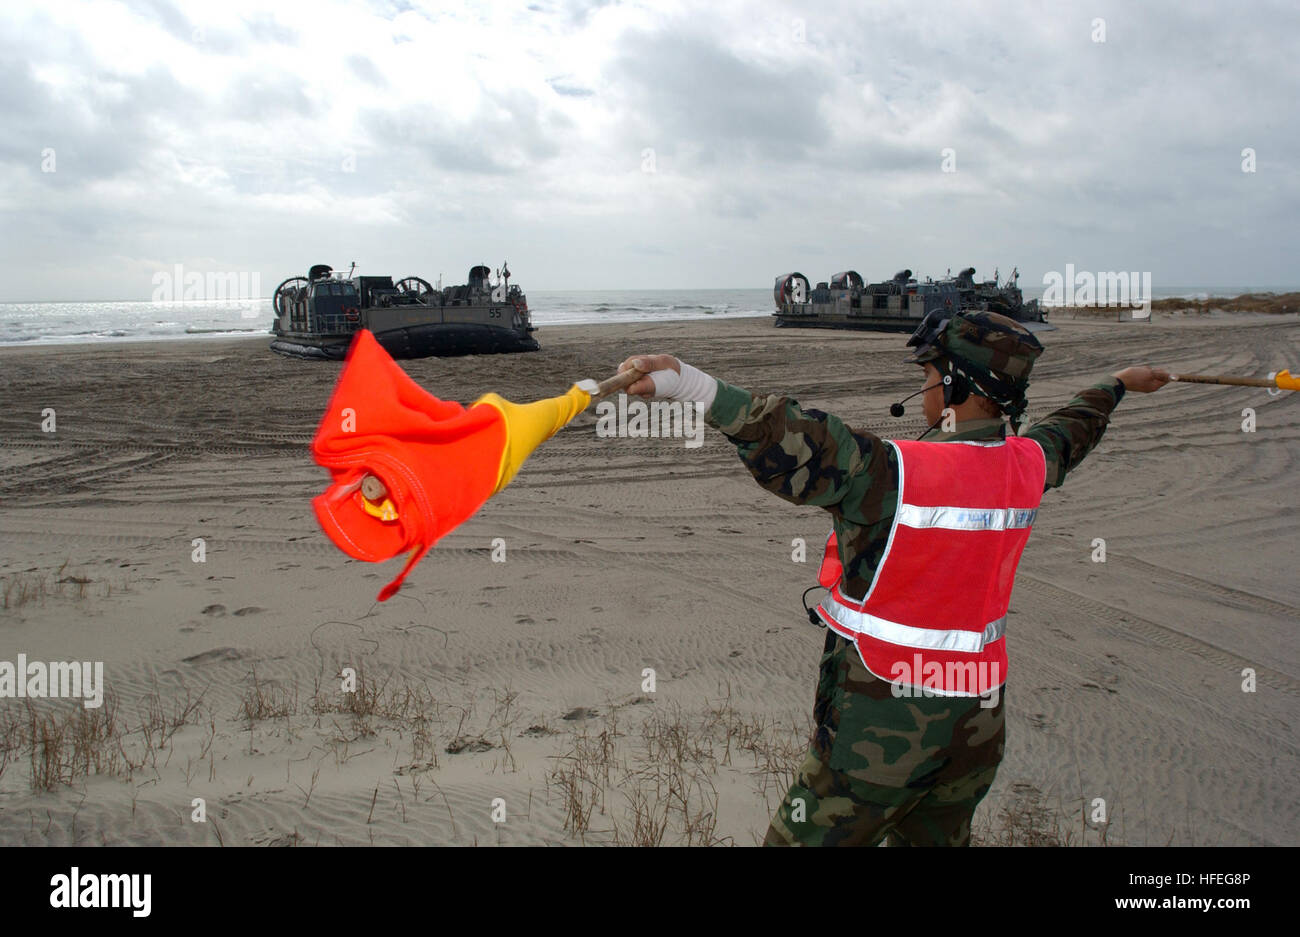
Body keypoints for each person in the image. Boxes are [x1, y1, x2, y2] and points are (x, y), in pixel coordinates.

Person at [620, 310, 1172, 846]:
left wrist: (690, 385)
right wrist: (1118, 383)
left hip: (882, 732)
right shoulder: (1028, 465)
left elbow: (793, 435)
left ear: (958, 385)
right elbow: (1072, 429)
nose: (927, 390)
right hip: (977, 728)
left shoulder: (894, 471)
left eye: (931, 376)